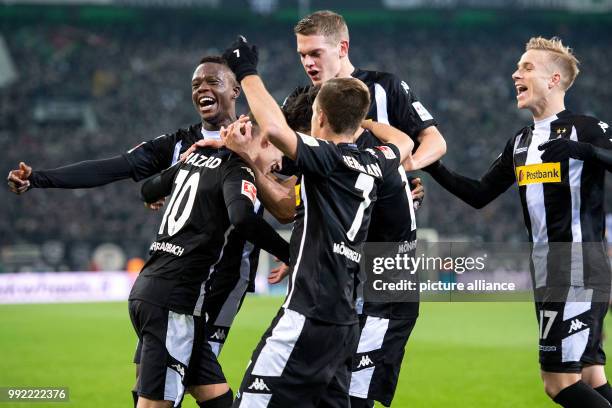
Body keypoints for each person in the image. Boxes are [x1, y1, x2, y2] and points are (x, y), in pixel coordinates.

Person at [6, 55, 287, 406]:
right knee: (160, 379)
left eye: (213, 81)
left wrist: (297, 247)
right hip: (179, 283)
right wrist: (40, 179)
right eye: (196, 83)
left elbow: (291, 196)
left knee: (169, 382)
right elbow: (114, 169)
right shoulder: (180, 145)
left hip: (221, 284)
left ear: (235, 91)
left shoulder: (259, 141)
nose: (202, 87)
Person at [220, 36, 415, 407]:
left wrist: (245, 70)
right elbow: (404, 140)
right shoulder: (375, 163)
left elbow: (276, 130)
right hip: (344, 323)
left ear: (319, 117)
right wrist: (364, 123)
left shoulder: (326, 158)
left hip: (307, 314)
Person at [425, 37, 612, 408]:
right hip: (548, 269)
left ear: (554, 79)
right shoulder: (521, 142)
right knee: (590, 376)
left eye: (527, 67)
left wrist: (585, 151)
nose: (515, 74)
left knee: (557, 383)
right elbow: (479, 193)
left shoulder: (584, 128)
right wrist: (430, 164)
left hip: (575, 265)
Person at [290, 11, 447, 407]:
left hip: (386, 259)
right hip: (333, 263)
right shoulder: (302, 102)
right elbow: (290, 171)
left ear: (342, 48)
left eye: (315, 53)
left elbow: (435, 141)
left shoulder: (385, 87)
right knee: (331, 387)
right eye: (302, 54)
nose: (308, 63)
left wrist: (396, 171)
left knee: (358, 390)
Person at [132, 121, 290, 408]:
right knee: (156, 403)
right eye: (280, 157)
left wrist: (178, 168)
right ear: (264, 142)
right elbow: (242, 218)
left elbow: (148, 189)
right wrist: (292, 253)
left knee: (218, 397)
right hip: (174, 302)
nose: (280, 164)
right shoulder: (238, 169)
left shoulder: (197, 156)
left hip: (156, 290)